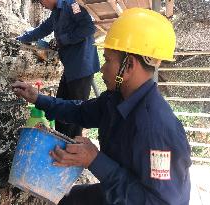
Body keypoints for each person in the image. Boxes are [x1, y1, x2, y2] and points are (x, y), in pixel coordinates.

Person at [13, 8, 191, 205]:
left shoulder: (157, 128)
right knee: (65, 201)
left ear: (129, 65)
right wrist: (38, 98)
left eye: (107, 60)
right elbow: (80, 111)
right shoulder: (116, 99)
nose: (101, 68)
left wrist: (94, 160)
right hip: (119, 190)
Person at [16, 0, 100, 138]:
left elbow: (88, 28)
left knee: (76, 111)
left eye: (41, 1)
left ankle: (72, 146)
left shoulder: (73, 5)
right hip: (70, 69)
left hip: (82, 68)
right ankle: (60, 140)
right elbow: (43, 29)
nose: (42, 5)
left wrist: (62, 40)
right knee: (61, 105)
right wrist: (22, 38)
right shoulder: (55, 13)